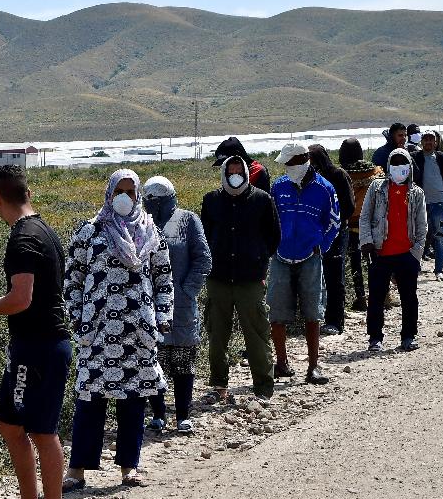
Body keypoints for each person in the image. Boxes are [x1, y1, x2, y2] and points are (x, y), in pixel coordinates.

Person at [63, 169, 173, 490]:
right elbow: (72, 278)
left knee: (133, 399)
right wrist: (77, 317)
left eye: (130, 191)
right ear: (109, 193)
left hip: (136, 334)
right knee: (90, 399)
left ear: (138, 195)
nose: (124, 197)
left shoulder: (152, 234)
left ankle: (129, 467)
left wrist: (163, 315)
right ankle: (77, 470)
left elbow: (163, 278)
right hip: (96, 333)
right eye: (118, 191)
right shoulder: (90, 233)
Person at [0, 165, 70, 499]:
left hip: (38, 348)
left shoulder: (23, 237)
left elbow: (21, 298)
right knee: (9, 421)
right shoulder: (44, 230)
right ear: (27, 192)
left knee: (42, 432)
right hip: (41, 346)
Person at [201, 155, 280, 402]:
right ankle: (218, 386)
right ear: (224, 173)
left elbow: (273, 237)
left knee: (257, 333)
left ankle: (264, 387)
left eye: (239, 170)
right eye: (230, 171)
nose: (235, 175)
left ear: (246, 172)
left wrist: (258, 261)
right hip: (219, 278)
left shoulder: (262, 200)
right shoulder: (211, 200)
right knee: (217, 334)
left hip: (250, 279)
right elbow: (205, 236)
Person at [141, 176, 212, 434]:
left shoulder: (187, 220)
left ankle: (183, 415)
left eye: (160, 197)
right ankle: (158, 414)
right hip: (147, 304)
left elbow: (203, 258)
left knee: (182, 360)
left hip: (181, 304)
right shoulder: (140, 221)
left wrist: (187, 289)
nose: (155, 202)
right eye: (151, 198)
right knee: (152, 360)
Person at [270, 142, 339, 385]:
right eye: (285, 164)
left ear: (304, 159)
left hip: (311, 256)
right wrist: (272, 246)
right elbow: (269, 218)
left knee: (313, 311)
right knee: (277, 311)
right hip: (280, 256)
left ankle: (313, 367)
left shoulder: (325, 188)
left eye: (290, 162)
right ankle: (281, 363)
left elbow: (334, 221)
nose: (287, 167)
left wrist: (321, 245)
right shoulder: (278, 187)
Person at [359, 149, 427, 352]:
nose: (399, 168)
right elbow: (365, 217)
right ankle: (375, 338)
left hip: (407, 254)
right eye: (395, 163)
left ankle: (408, 337)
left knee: (409, 298)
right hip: (380, 253)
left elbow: (422, 226)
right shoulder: (376, 188)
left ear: (409, 166)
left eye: (403, 163)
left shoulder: (416, 192)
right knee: (376, 298)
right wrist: (367, 242)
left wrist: (416, 253)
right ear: (389, 166)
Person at [309, 144, 354, 336]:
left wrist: (332, 221)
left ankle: (336, 320)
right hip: (315, 233)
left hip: (336, 231)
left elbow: (348, 206)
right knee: (317, 276)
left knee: (334, 275)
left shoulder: (337, 174)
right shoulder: (309, 178)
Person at [340, 138, 379, 312]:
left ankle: (360, 297)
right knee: (373, 261)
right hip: (371, 224)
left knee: (355, 262)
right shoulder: (375, 172)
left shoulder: (342, 174)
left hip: (350, 224)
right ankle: (379, 295)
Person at [413, 131, 443, 278]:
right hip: (420, 203)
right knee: (418, 235)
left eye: (432, 140)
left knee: (439, 236)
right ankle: (415, 268)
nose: (429, 142)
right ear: (421, 142)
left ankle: (439, 270)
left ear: (436, 142)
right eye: (426, 139)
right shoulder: (415, 158)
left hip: (439, 203)